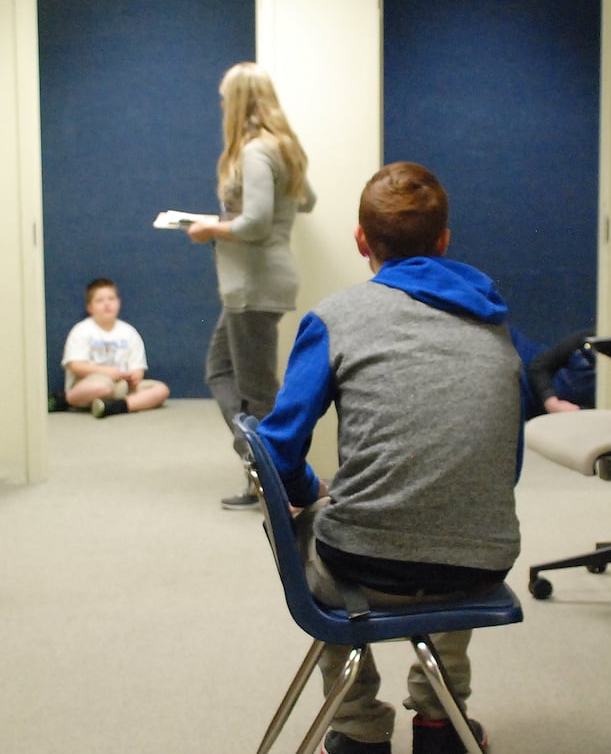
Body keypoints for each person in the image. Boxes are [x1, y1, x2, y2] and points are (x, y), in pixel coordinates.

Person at [256, 162, 522, 754]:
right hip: (479, 567)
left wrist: (311, 491)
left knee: (307, 528)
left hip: (363, 565)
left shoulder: (336, 318)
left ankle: (356, 725)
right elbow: (506, 462)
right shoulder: (495, 323)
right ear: (445, 242)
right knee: (453, 528)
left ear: (360, 241)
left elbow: (277, 450)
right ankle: (441, 721)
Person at [186, 62, 316, 509]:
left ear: (238, 102)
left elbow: (258, 224)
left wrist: (212, 228)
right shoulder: (281, 148)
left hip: (254, 286)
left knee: (258, 392)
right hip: (253, 285)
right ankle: (260, 463)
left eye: (226, 99)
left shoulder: (257, 152)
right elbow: (307, 199)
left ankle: (273, 477)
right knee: (222, 371)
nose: (222, 106)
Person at [60, 278, 170, 418]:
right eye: (99, 301)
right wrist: (106, 372)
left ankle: (115, 407)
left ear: (118, 302)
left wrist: (135, 375)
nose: (107, 304)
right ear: (90, 307)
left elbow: (137, 368)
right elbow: (76, 366)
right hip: (89, 384)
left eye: (111, 299)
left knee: (161, 390)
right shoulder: (81, 330)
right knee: (102, 388)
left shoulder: (129, 332)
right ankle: (66, 400)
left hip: (122, 387)